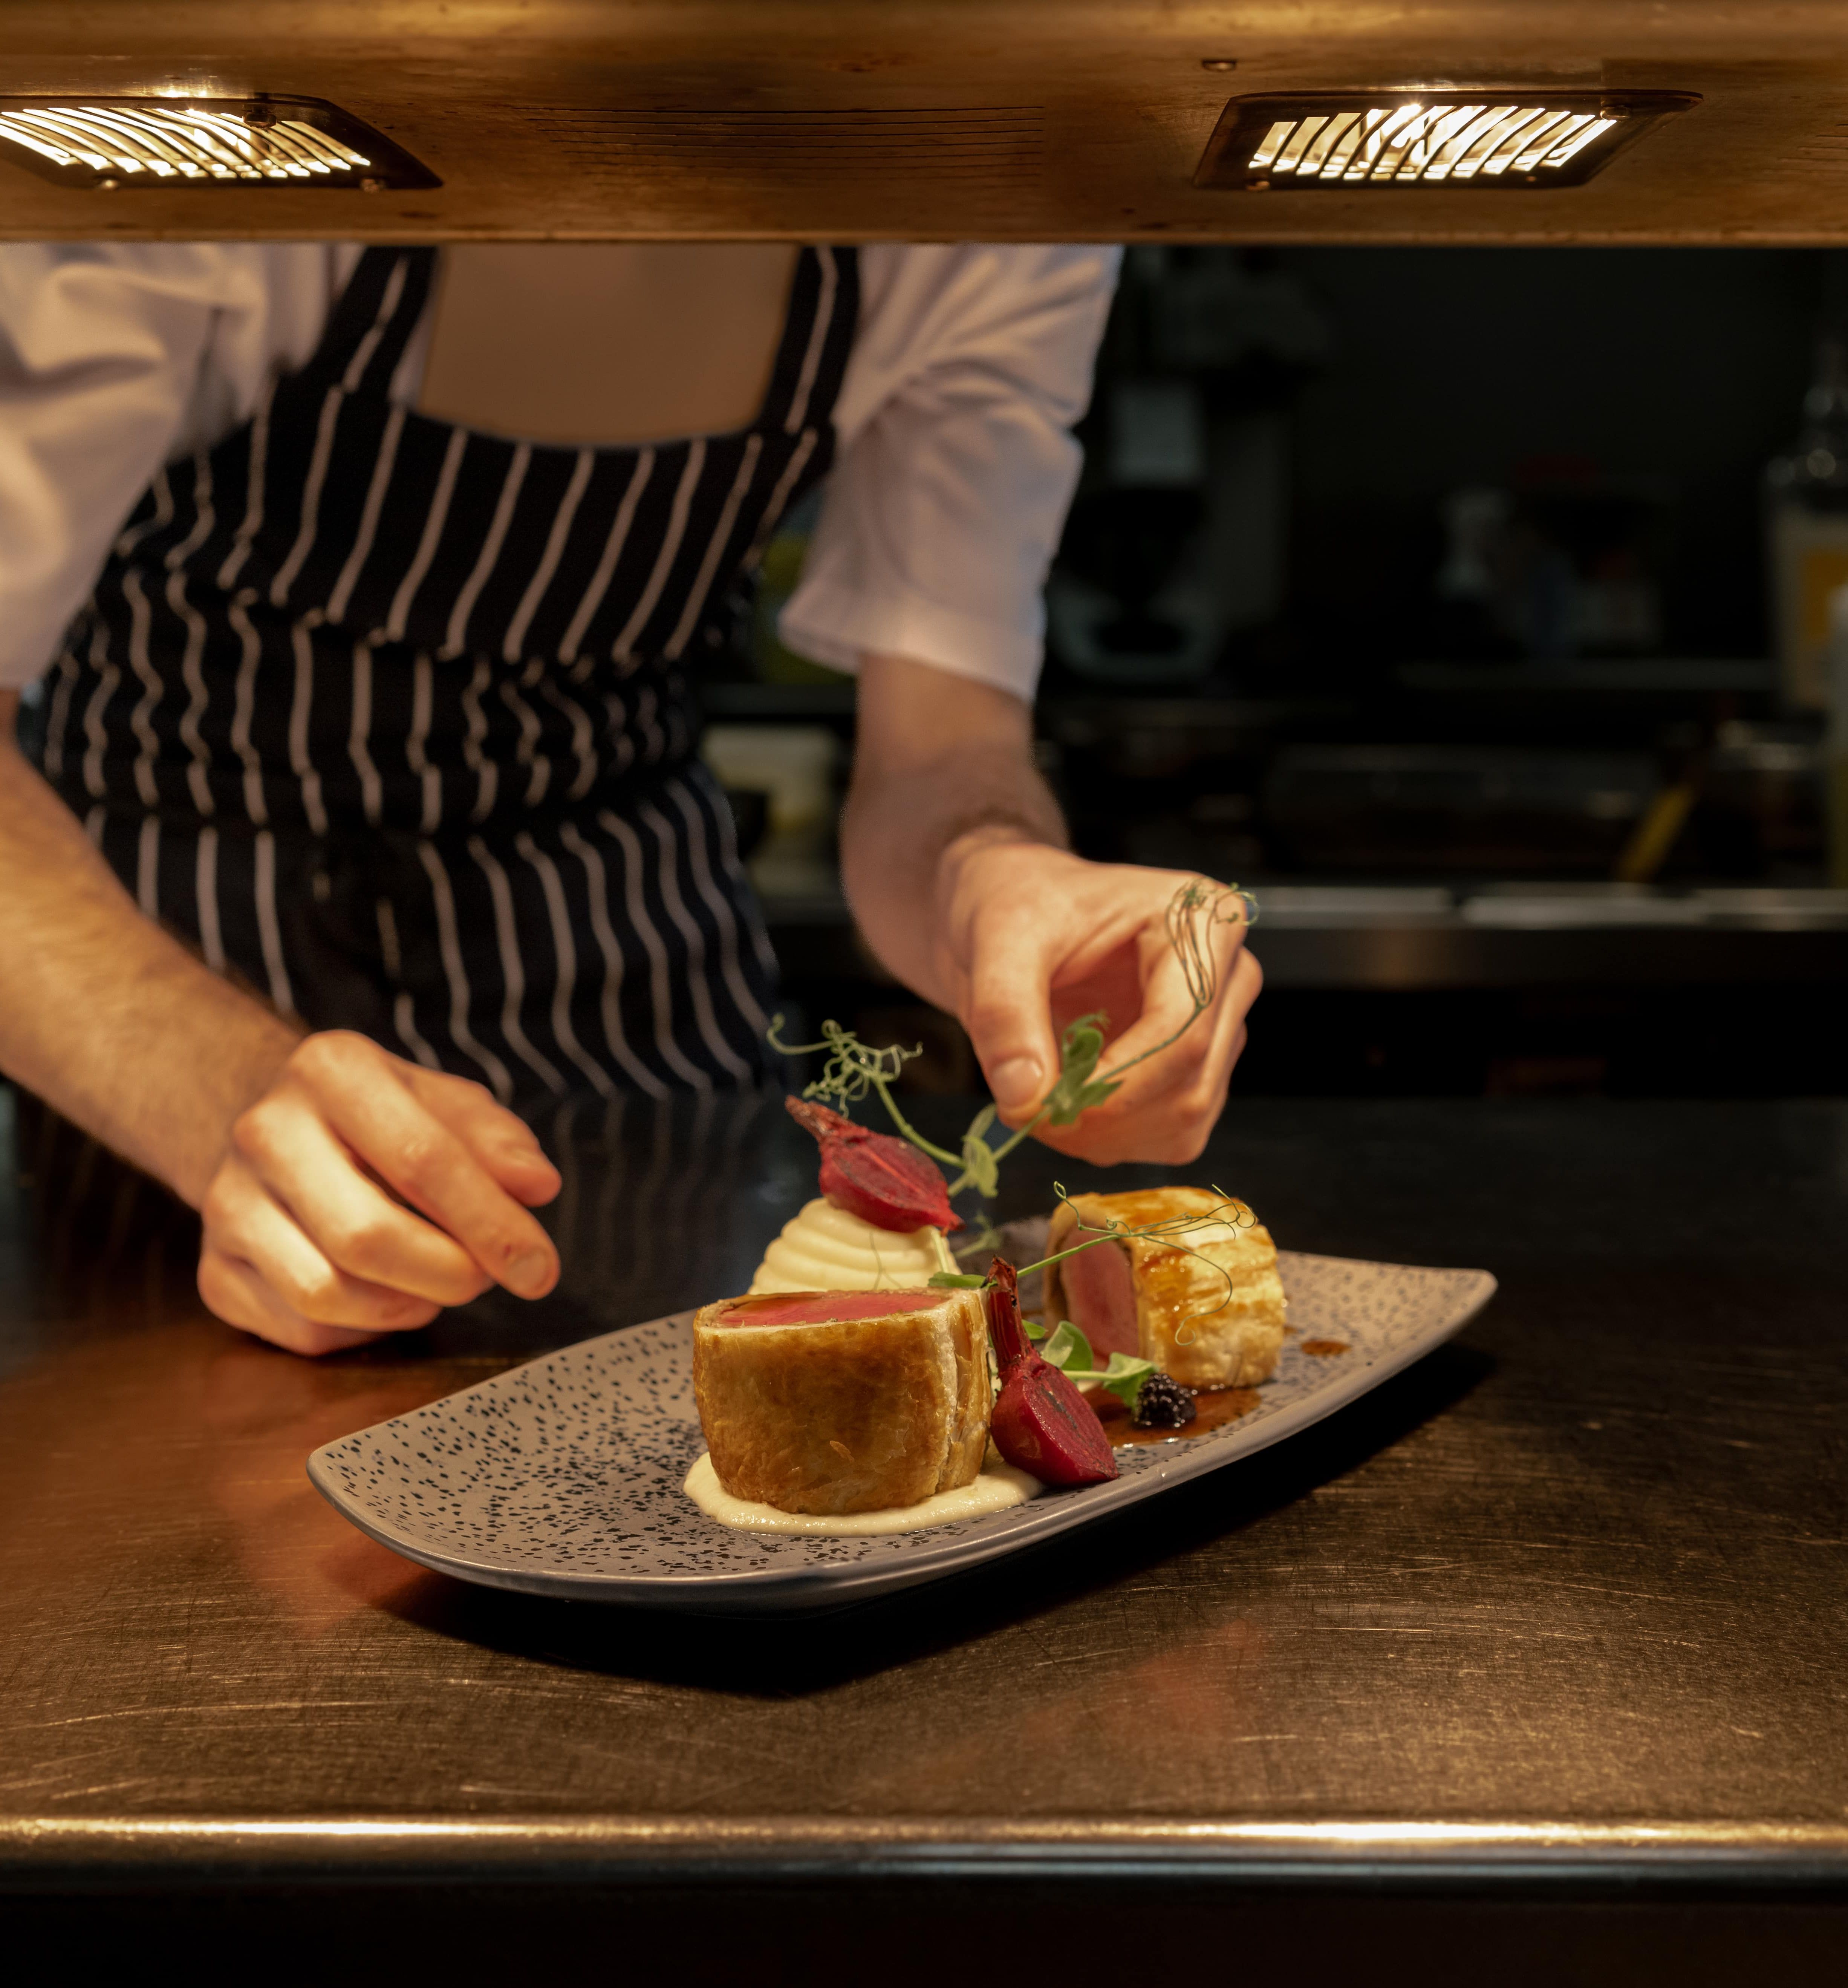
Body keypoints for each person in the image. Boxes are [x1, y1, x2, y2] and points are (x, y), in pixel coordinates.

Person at [0, 240, 1262, 1356]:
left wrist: (992, 866)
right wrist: (209, 1085)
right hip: (159, 952)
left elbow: (938, 749)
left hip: (627, 961)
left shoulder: (987, 203)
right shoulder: (217, 134)